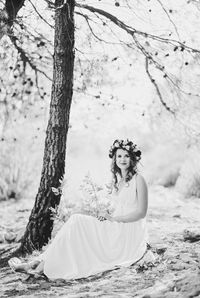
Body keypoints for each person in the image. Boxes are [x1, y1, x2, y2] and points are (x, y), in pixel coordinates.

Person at [8, 139, 149, 280]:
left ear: (132, 158)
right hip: (116, 224)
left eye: (126, 156)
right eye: (119, 156)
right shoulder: (118, 181)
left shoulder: (139, 179)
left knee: (77, 221)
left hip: (130, 231)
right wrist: (106, 215)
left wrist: (114, 219)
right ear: (114, 159)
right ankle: (38, 264)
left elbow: (141, 213)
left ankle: (37, 265)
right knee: (77, 225)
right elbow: (120, 208)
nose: (123, 159)